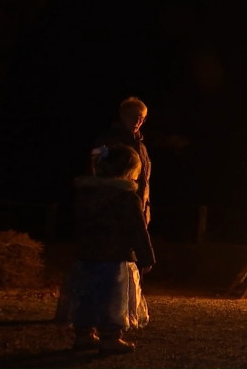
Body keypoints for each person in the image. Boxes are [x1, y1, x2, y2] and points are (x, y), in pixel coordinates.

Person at [67, 143, 156, 354]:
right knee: (113, 298)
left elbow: (75, 223)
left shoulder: (85, 194)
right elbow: (136, 229)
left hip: (86, 255)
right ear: (127, 172)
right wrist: (146, 257)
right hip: (115, 257)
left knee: (86, 295)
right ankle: (110, 337)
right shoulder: (126, 197)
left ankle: (84, 334)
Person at [93, 97, 152, 225]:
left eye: (141, 118)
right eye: (133, 116)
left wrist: (144, 209)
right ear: (123, 115)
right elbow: (96, 169)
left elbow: (144, 181)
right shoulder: (108, 141)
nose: (138, 121)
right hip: (115, 210)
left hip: (139, 211)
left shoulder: (142, 147)